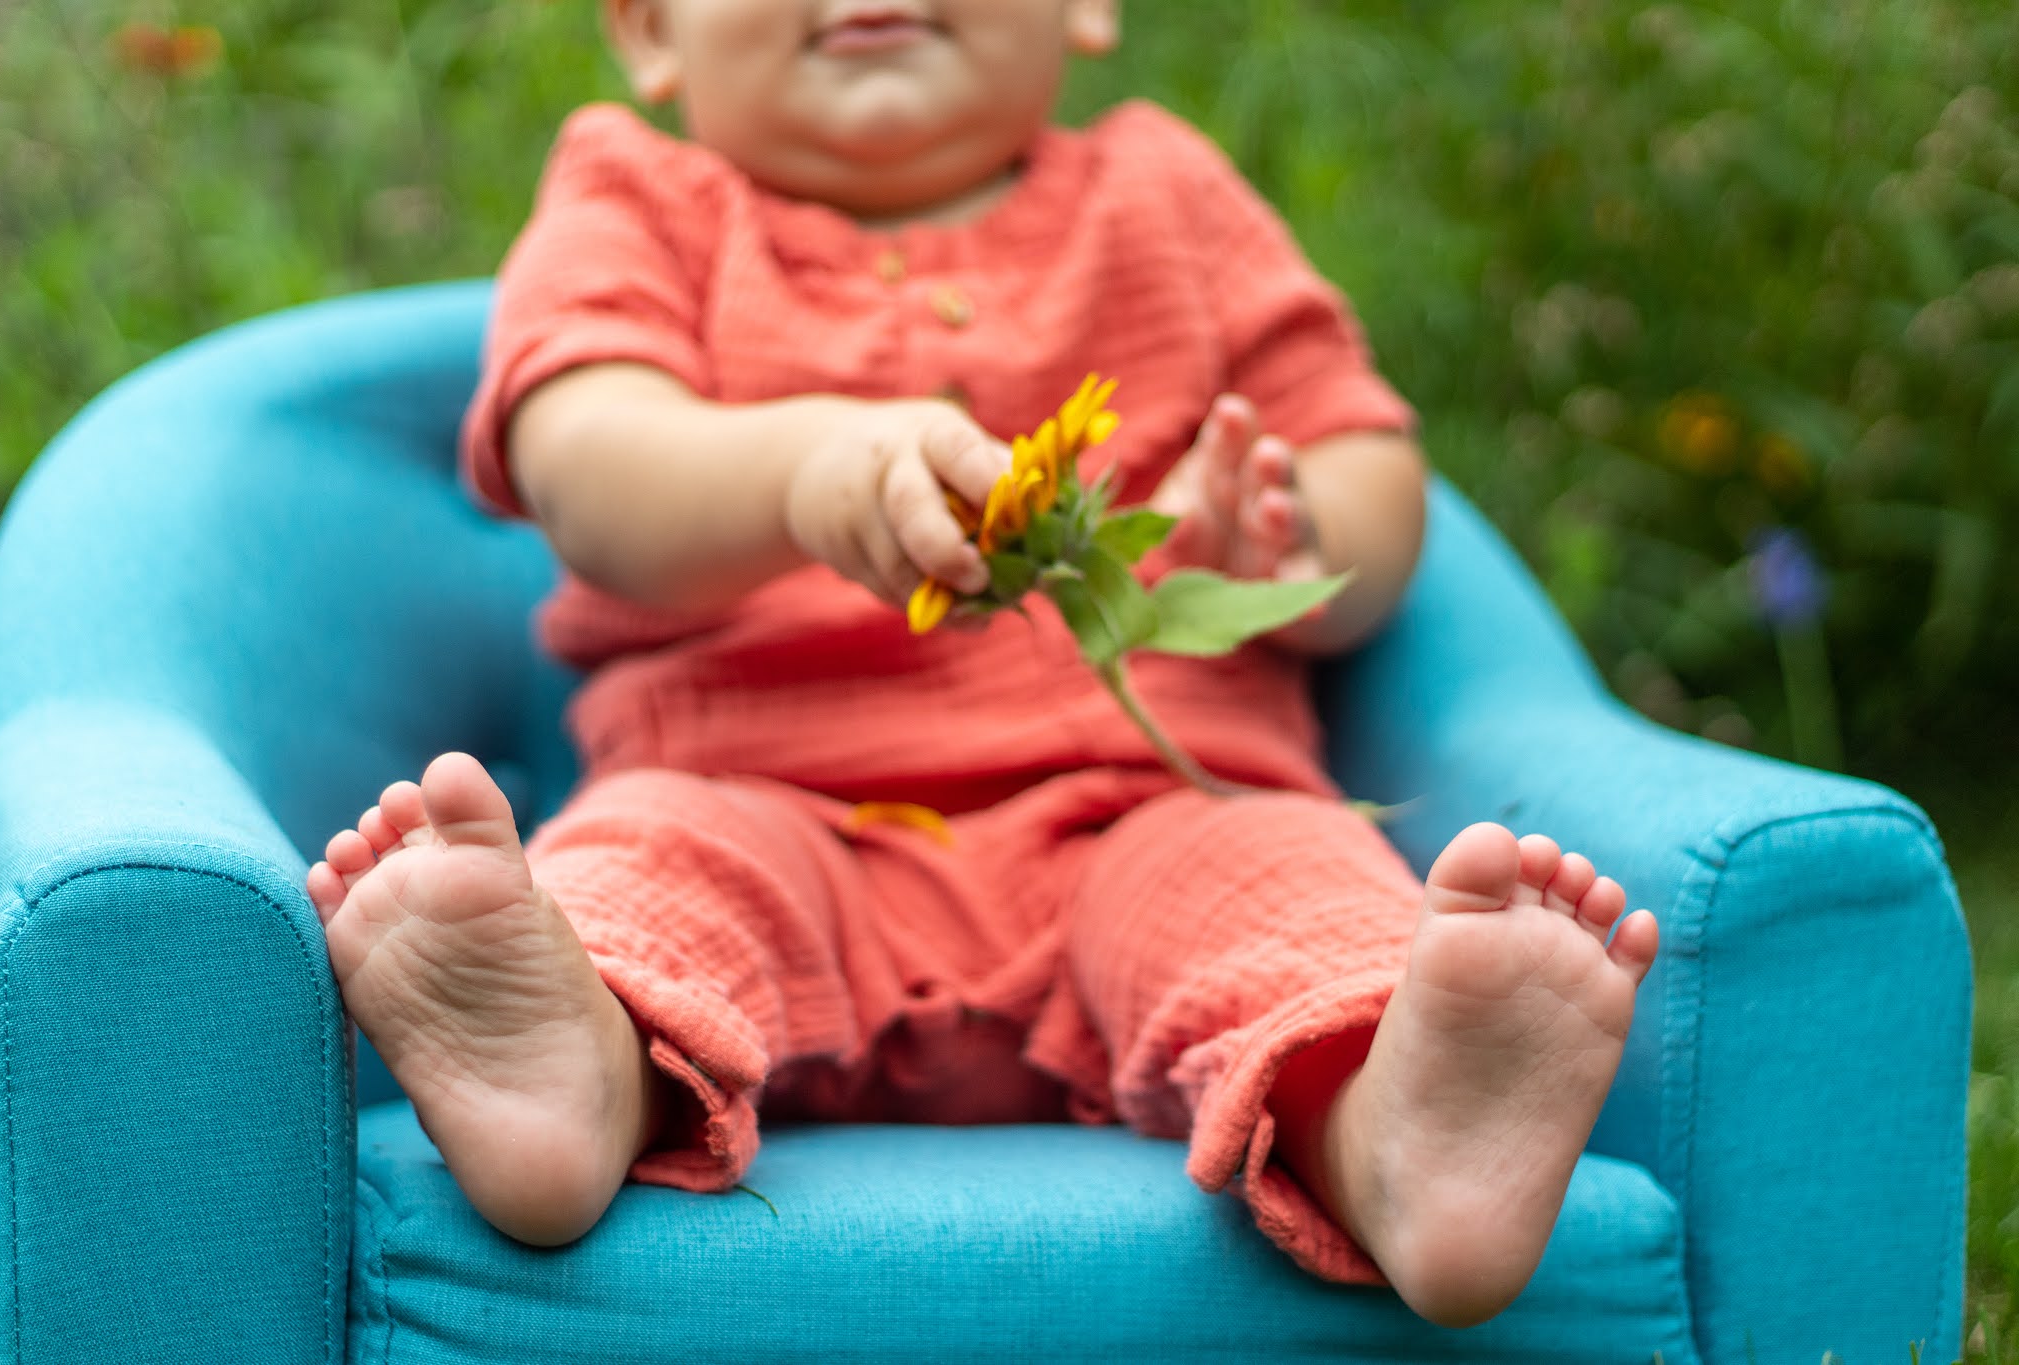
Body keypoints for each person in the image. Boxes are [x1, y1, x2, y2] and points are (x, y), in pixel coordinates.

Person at [304, 0, 1659, 1328]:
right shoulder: (638, 198)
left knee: (1294, 903)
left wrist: (1293, 529)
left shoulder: (1166, 192)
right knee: (647, 882)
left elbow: (1370, 466)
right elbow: (587, 467)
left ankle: (1402, 1133)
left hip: (1148, 802)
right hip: (758, 794)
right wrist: (800, 473)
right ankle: (572, 1071)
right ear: (652, 29)